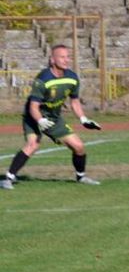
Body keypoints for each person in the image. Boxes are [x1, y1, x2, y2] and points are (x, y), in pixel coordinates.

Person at [1, 45, 103, 190]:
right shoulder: (43, 79)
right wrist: (40, 120)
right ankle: (8, 179)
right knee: (33, 145)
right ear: (52, 59)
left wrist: (83, 119)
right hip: (34, 116)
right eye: (62, 57)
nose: (66, 60)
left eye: (68, 56)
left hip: (54, 118)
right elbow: (33, 107)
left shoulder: (72, 78)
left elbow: (74, 101)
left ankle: (81, 177)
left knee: (79, 147)